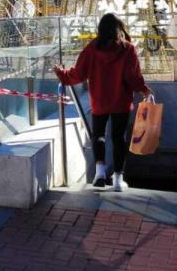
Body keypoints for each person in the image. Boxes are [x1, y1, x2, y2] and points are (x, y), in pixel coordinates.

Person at [54, 13, 152, 192]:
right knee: (119, 138)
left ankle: (99, 172)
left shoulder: (92, 48)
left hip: (99, 100)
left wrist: (62, 74)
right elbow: (133, 77)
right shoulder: (128, 49)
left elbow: (79, 73)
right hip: (121, 101)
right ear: (118, 29)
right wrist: (145, 90)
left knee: (98, 135)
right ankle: (118, 179)